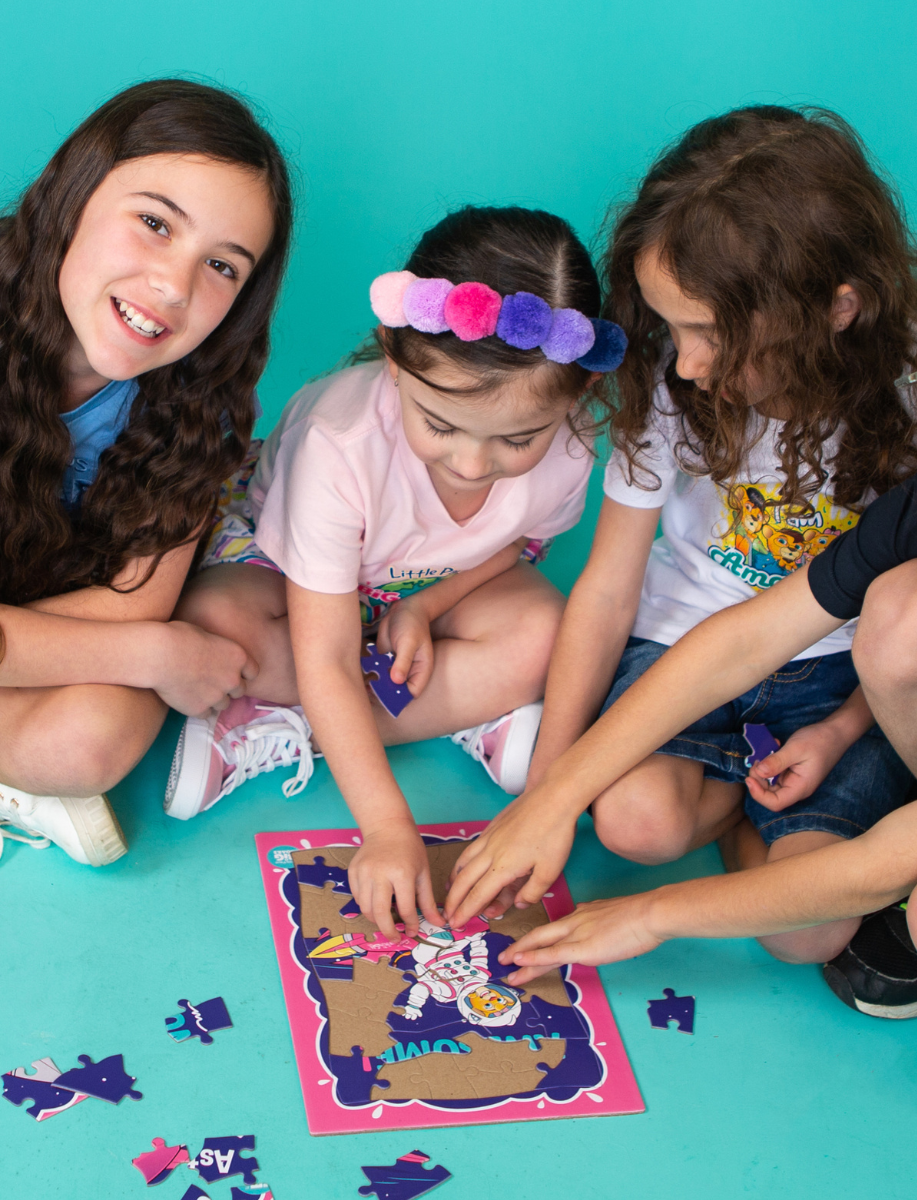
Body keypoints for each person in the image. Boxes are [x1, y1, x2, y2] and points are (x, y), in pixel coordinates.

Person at [454, 247, 917, 1181]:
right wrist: (555, 795)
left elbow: (866, 876)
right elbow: (743, 640)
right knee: (907, 608)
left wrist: (650, 917)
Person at [447, 106, 917, 961]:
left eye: (710, 334)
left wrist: (840, 730)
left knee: (809, 938)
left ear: (838, 307)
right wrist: (548, 793)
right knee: (636, 821)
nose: (684, 364)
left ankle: (768, 821)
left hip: (839, 680)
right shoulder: (674, 385)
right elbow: (607, 590)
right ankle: (742, 813)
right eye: (671, 326)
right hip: (684, 656)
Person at [169, 206, 626, 936]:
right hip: (288, 575)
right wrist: (385, 826)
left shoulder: (575, 444)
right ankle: (431, 710)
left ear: (577, 398)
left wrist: (429, 606)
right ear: (393, 357)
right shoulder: (339, 442)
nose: (474, 465)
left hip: (424, 589)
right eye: (440, 425)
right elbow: (321, 648)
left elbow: (517, 548)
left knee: (548, 633)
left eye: (518, 439)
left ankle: (303, 721)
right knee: (217, 632)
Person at [0, 79, 292, 866]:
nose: (174, 286)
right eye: (155, 223)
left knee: (93, 739)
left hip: (34, 615)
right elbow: (144, 634)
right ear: (74, 193)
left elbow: (138, 601)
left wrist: (138, 639)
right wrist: (161, 656)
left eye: (223, 266)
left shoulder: (200, 403)